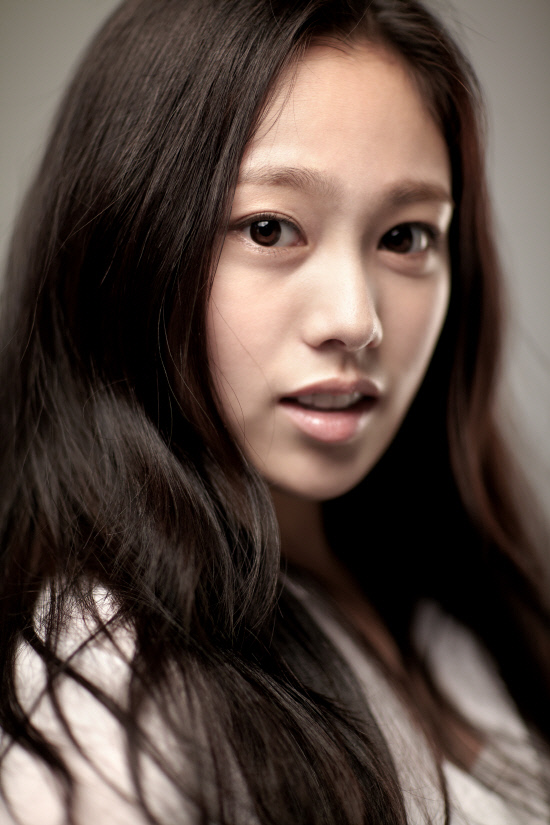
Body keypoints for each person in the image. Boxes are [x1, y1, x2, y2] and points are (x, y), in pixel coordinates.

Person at [0, 0, 548, 823]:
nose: (356, 320)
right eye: (268, 228)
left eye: (405, 237)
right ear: (128, 245)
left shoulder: (449, 599)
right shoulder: (107, 681)